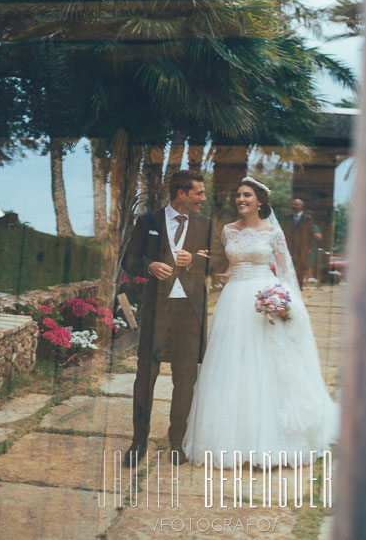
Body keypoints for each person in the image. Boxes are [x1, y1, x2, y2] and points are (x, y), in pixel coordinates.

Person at [183, 177, 338, 466]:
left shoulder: (272, 233)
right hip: (232, 301)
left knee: (266, 364)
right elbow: (226, 266)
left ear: (260, 201)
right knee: (231, 364)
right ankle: (232, 436)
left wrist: (282, 301)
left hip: (263, 300)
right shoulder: (228, 231)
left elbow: (285, 271)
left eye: (247, 196)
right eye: (238, 196)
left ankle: (272, 437)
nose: (241, 200)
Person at [122, 169, 224, 465]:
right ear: (181, 194)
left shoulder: (205, 225)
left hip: (190, 313)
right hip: (157, 311)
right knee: (145, 378)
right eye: (199, 193)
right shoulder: (148, 221)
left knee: (185, 380)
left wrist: (195, 260)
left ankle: (176, 442)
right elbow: (130, 261)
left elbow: (221, 260)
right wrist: (150, 265)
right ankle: (137, 443)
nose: (204, 199)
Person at [281, 197, 317, 289]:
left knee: (301, 267)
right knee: (289, 266)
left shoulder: (307, 218)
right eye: (293, 204)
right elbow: (283, 232)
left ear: (301, 206)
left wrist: (310, 247)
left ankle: (299, 286)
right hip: (290, 247)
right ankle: (288, 285)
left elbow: (311, 234)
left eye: (296, 204)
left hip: (303, 248)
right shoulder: (287, 217)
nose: (294, 206)